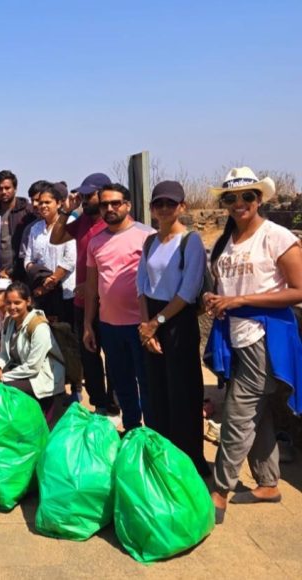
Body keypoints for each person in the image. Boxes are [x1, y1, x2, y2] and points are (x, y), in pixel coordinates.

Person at [203, 167, 302, 523]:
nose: (239, 203)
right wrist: (220, 299)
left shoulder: (277, 237)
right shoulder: (227, 240)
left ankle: (219, 490)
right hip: (234, 335)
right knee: (253, 412)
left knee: (237, 415)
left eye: (247, 196)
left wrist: (241, 301)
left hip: (264, 336)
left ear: (259, 199)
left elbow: (298, 290)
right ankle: (268, 482)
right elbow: (232, 286)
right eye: (231, 198)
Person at [136, 181, 209, 476]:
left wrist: (156, 324)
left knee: (184, 391)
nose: (164, 209)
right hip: (152, 320)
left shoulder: (190, 242)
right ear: (152, 209)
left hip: (176, 320)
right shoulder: (150, 242)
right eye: (159, 204)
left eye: (171, 204)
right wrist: (145, 326)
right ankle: (162, 454)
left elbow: (188, 290)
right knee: (157, 391)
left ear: (182, 207)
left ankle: (189, 460)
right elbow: (142, 285)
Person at [84, 183, 154, 432]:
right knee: (122, 383)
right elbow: (92, 288)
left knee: (147, 384)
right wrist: (87, 326)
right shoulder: (95, 243)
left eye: (116, 203)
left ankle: (152, 435)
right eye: (105, 204)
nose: (110, 208)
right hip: (109, 326)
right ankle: (133, 431)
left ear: (128, 205)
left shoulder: (148, 237)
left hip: (141, 326)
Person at [50, 172, 118, 416]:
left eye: (89, 195)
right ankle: (99, 403)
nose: (85, 199)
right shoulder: (82, 222)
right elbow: (56, 238)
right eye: (83, 195)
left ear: (103, 195)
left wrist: (93, 286)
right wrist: (67, 211)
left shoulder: (113, 223)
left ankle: (115, 404)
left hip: (109, 303)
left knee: (113, 356)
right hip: (82, 302)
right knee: (89, 354)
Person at [0, 282, 66, 424]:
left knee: (4, 387)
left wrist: (4, 377)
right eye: (9, 303)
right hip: (23, 370)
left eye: (17, 303)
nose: (12, 307)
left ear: (28, 301)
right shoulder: (9, 322)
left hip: (43, 376)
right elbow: (4, 353)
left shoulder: (39, 326)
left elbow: (33, 366)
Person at [24, 182, 76, 323]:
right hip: (41, 291)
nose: (43, 206)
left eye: (48, 202)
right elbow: (28, 259)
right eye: (40, 203)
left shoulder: (70, 223)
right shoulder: (35, 228)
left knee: (66, 336)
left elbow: (70, 259)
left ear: (58, 203)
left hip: (66, 290)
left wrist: (52, 281)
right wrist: (40, 278)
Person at [0, 170, 31, 279]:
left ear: (15, 189)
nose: (3, 192)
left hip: (22, 275)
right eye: (0, 188)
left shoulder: (28, 211)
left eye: (7, 188)